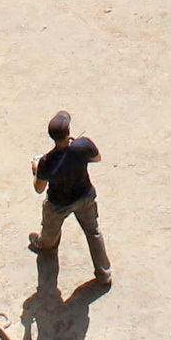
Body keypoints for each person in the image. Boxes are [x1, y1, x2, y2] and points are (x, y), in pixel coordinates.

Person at [28, 110, 108, 280]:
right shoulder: (83, 145)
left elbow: (39, 188)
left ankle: (44, 245)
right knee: (93, 232)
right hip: (85, 197)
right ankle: (104, 273)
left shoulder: (46, 162)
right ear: (69, 132)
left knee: (50, 233)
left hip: (58, 204)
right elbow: (97, 158)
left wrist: (36, 170)